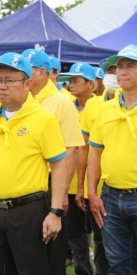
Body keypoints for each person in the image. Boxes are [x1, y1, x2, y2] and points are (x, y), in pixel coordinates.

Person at [0, 52, 67, 275]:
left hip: (29, 211)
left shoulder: (43, 119)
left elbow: (58, 166)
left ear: (28, 83)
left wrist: (55, 212)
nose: (1, 86)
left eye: (9, 80)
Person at [22, 48, 84, 275]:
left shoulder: (61, 102)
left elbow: (71, 149)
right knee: (29, 249)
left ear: (42, 73)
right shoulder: (22, 100)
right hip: (25, 183)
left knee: (53, 250)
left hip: (50, 184)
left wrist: (62, 193)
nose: (22, 73)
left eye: (27, 69)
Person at [88, 44, 137, 274]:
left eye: (131, 65)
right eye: (119, 67)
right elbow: (95, 153)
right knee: (117, 264)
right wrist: (92, 193)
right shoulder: (105, 110)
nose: (122, 71)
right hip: (110, 198)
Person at [76, 60, 118, 275]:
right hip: (101, 191)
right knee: (102, 245)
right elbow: (86, 149)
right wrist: (84, 188)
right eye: (111, 72)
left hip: (125, 188)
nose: (115, 76)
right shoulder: (95, 106)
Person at [58, 62, 97, 275]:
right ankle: (83, 270)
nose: (71, 84)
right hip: (69, 182)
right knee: (74, 234)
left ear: (91, 84)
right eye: (70, 81)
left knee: (99, 235)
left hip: (93, 183)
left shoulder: (99, 107)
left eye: (76, 81)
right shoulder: (67, 106)